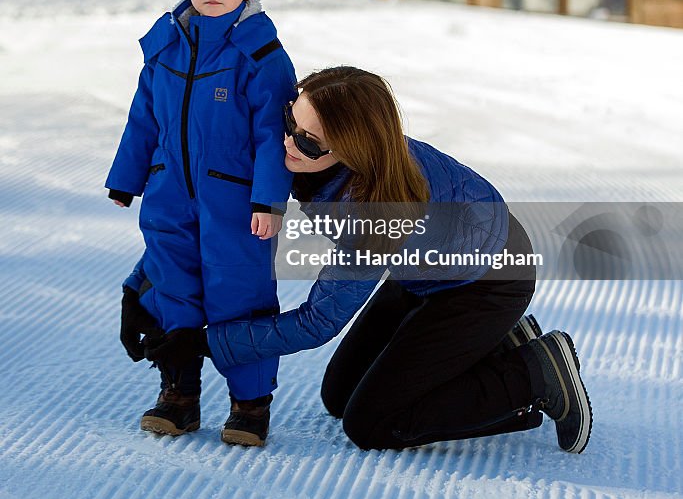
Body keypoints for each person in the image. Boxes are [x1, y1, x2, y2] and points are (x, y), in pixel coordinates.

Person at [136, 66, 593, 454]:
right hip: (429, 269)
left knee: (374, 424)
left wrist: (204, 343)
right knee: (339, 396)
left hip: (486, 283)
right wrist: (141, 283)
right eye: (289, 123)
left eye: (310, 143)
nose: (289, 144)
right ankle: (498, 342)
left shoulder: (373, 214)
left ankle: (534, 372)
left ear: (353, 147)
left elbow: (318, 323)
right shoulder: (343, 150)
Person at [108, 0, 297, 446]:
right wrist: (127, 177)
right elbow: (143, 116)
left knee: (239, 294)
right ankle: (179, 394)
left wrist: (269, 201)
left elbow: (271, 137)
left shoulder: (259, 56)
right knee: (174, 289)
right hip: (169, 196)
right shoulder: (165, 46)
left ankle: (250, 403)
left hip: (235, 205)